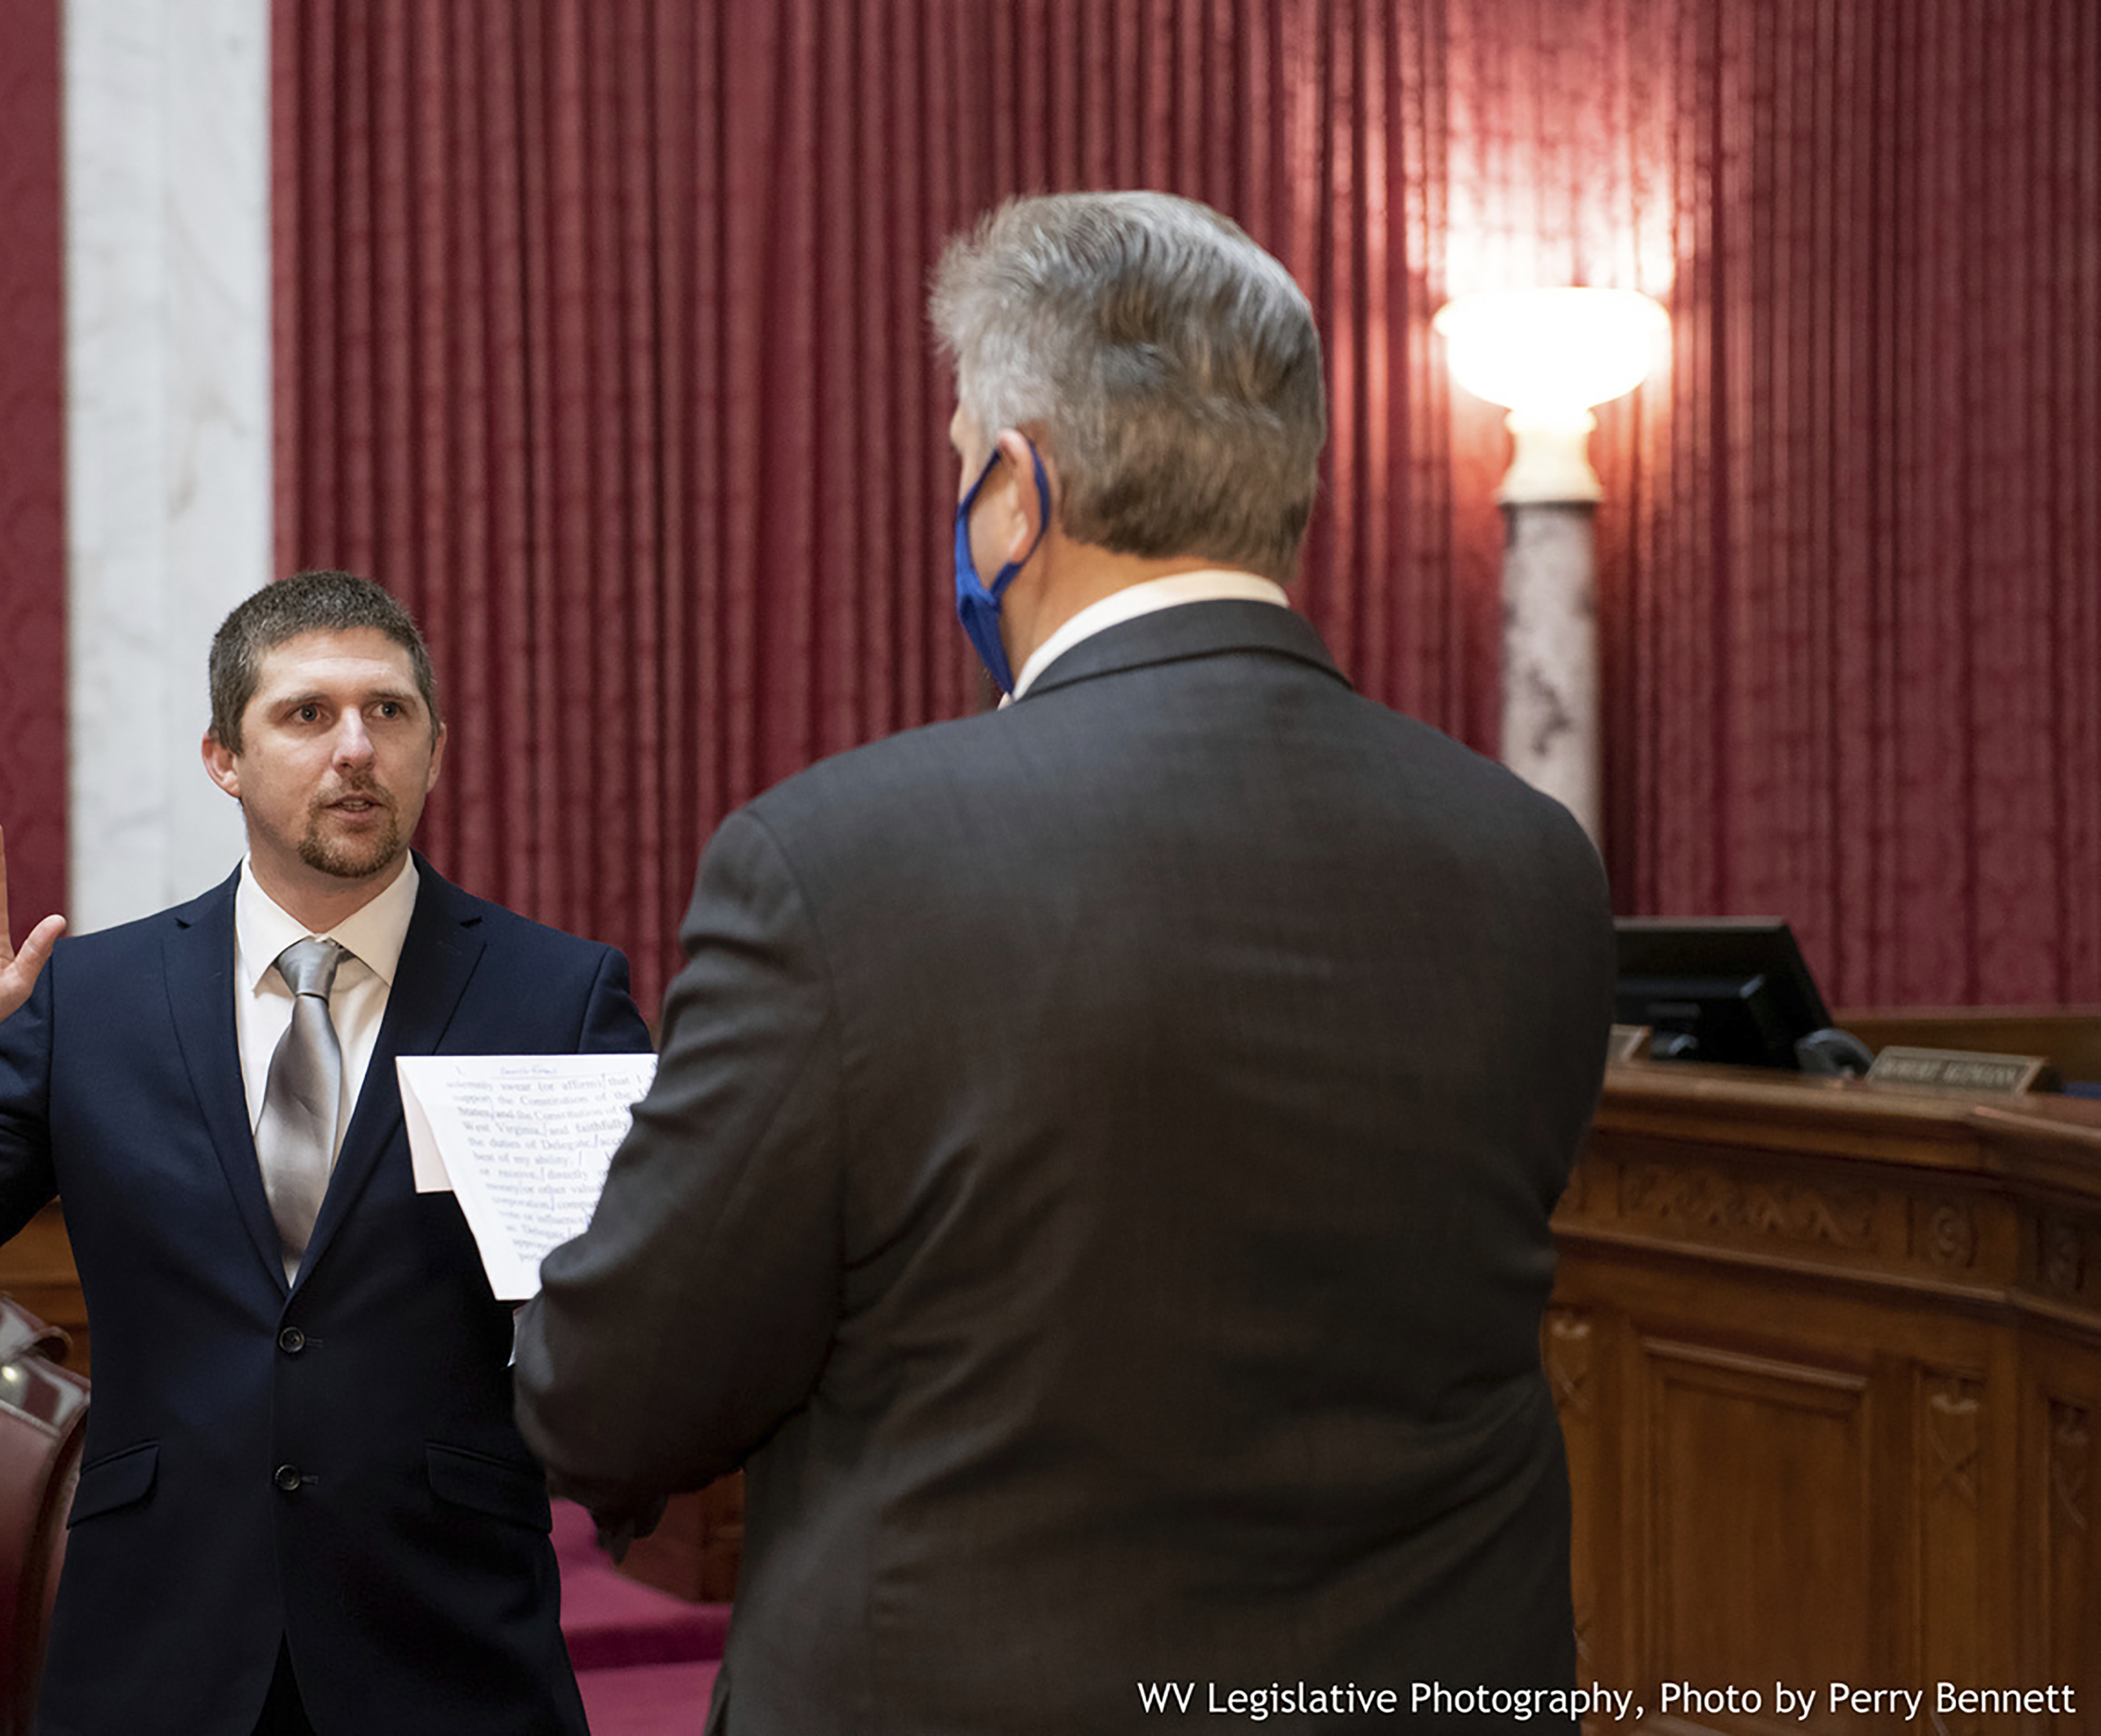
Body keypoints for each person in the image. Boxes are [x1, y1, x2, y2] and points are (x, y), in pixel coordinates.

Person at [511, 191, 1616, 1733]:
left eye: (965, 459)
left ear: (1016, 496)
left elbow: (611, 1396)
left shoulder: (838, 864)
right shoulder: (1535, 864)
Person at [0, 569, 646, 1736]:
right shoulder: (95, 1002)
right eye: (307, 715)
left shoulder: (556, 995)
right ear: (224, 758)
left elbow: (639, 1309)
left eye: (389, 713)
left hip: (448, 1646)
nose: (355, 747)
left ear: (436, 751)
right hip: (159, 1643)